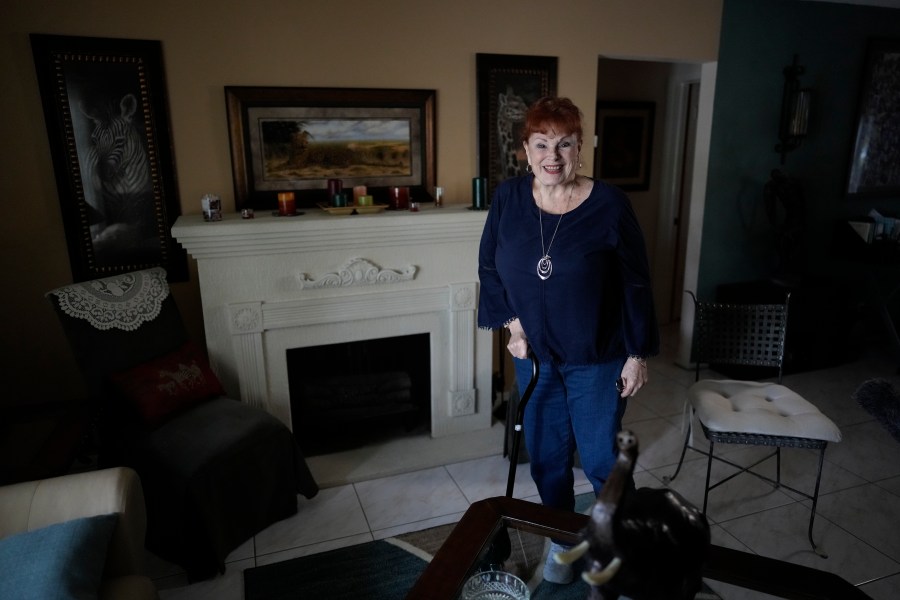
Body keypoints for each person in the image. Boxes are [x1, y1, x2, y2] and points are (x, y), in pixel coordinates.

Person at [477, 96, 660, 584]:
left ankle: (613, 553)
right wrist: (512, 325)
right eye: (541, 144)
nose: (552, 156)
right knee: (547, 460)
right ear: (525, 148)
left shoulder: (610, 205)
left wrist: (636, 353)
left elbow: (635, 283)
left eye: (564, 144)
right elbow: (490, 266)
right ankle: (562, 544)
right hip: (536, 358)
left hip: (598, 357)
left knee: (602, 459)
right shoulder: (509, 198)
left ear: (581, 147)